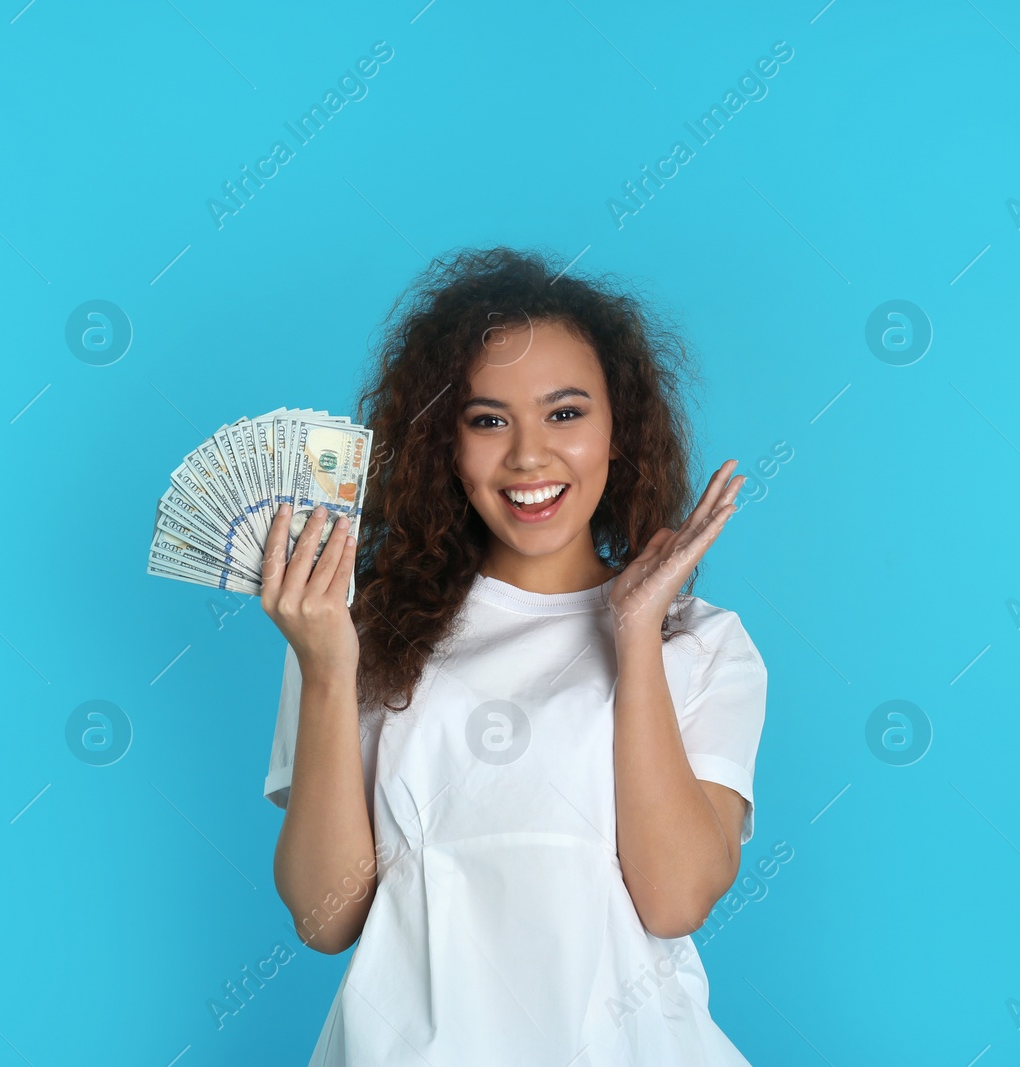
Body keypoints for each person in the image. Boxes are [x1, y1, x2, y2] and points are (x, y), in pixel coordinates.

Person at [259, 246, 769, 1064]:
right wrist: (325, 671)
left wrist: (634, 636)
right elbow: (327, 921)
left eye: (566, 413)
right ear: (443, 443)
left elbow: (674, 898)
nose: (529, 455)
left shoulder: (703, 645)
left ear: (620, 429)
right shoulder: (355, 633)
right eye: (487, 419)